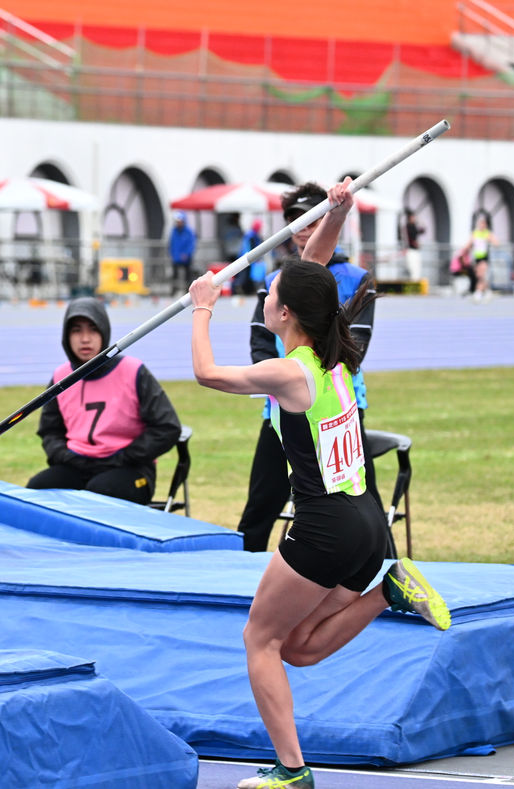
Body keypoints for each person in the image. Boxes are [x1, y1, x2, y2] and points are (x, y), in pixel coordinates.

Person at [188, 177, 449, 789]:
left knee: (259, 640)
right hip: (365, 524)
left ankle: (291, 771)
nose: (265, 297)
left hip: (326, 527)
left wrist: (203, 304)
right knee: (297, 648)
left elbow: (206, 373)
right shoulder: (335, 354)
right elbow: (312, 274)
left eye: (270, 295)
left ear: (285, 314)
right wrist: (338, 211)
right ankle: (390, 592)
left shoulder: (288, 372)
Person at [237, 182, 379, 554]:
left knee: (361, 496)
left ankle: (386, 570)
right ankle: (240, 571)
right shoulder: (275, 282)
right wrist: (279, 379)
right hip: (282, 404)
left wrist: (307, 375)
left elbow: (356, 345)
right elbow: (259, 341)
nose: (302, 228)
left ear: (326, 220)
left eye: (311, 219)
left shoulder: (355, 277)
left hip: (338, 405)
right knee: (260, 504)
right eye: (295, 220)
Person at [27, 297, 181, 505]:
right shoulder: (61, 378)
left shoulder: (133, 371)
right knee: (35, 493)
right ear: (66, 336)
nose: (85, 339)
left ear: (104, 332)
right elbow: (50, 431)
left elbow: (167, 427)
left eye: (93, 330)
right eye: (76, 331)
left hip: (129, 469)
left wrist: (124, 456)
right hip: (77, 465)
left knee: (99, 494)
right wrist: (67, 456)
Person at [466, 215, 497, 301]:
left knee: (481, 275)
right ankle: (487, 291)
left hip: (484, 257)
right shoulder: (475, 233)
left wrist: (489, 240)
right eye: (480, 224)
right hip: (476, 257)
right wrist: (463, 251)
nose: (481, 225)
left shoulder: (487, 233)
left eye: (483, 224)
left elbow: (496, 243)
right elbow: (469, 244)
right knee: (479, 276)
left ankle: (478, 292)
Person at [168, 210, 196, 294]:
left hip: (186, 258)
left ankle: (188, 290)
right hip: (176, 258)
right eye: (177, 221)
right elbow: (172, 244)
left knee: (188, 275)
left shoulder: (188, 232)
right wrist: (172, 254)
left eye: (180, 221)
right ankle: (174, 290)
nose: (178, 223)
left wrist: (187, 254)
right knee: (175, 275)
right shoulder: (174, 231)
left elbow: (191, 244)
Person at [236, 217, 266, 295]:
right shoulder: (252, 235)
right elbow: (252, 248)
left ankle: (245, 289)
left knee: (246, 274)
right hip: (247, 258)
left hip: (245, 257)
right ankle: (240, 287)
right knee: (245, 275)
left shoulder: (250, 234)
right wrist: (257, 258)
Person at [402, 211, 424, 281]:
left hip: (415, 250)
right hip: (410, 250)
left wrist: (421, 223)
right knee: (412, 268)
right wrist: (414, 243)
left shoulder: (414, 226)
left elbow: (422, 231)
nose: (414, 218)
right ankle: (413, 281)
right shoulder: (407, 227)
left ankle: (416, 281)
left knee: (417, 267)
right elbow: (409, 238)